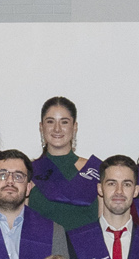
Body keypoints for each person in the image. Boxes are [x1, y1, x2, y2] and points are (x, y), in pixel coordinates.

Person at [27, 95, 103, 227]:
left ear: (75, 127)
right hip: (42, 241)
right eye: (50, 121)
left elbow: (104, 222)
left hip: (87, 241)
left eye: (64, 122)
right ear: (41, 127)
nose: (57, 128)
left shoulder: (95, 170)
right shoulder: (30, 171)